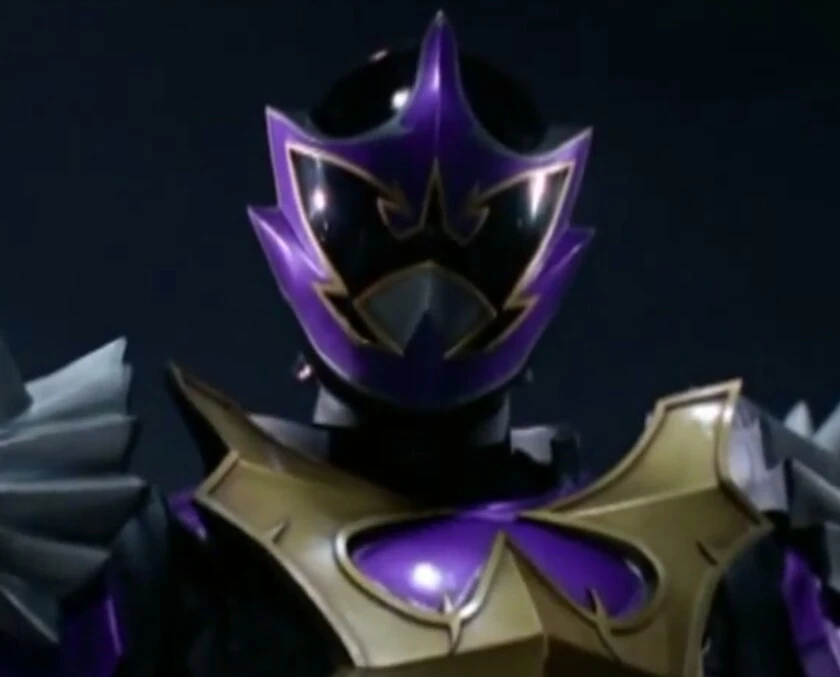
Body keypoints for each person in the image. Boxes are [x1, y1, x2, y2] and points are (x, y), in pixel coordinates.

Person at [0, 12, 838, 677]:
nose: (429, 289)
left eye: (471, 238)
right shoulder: (181, 564)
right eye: (389, 237)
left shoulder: (713, 557)